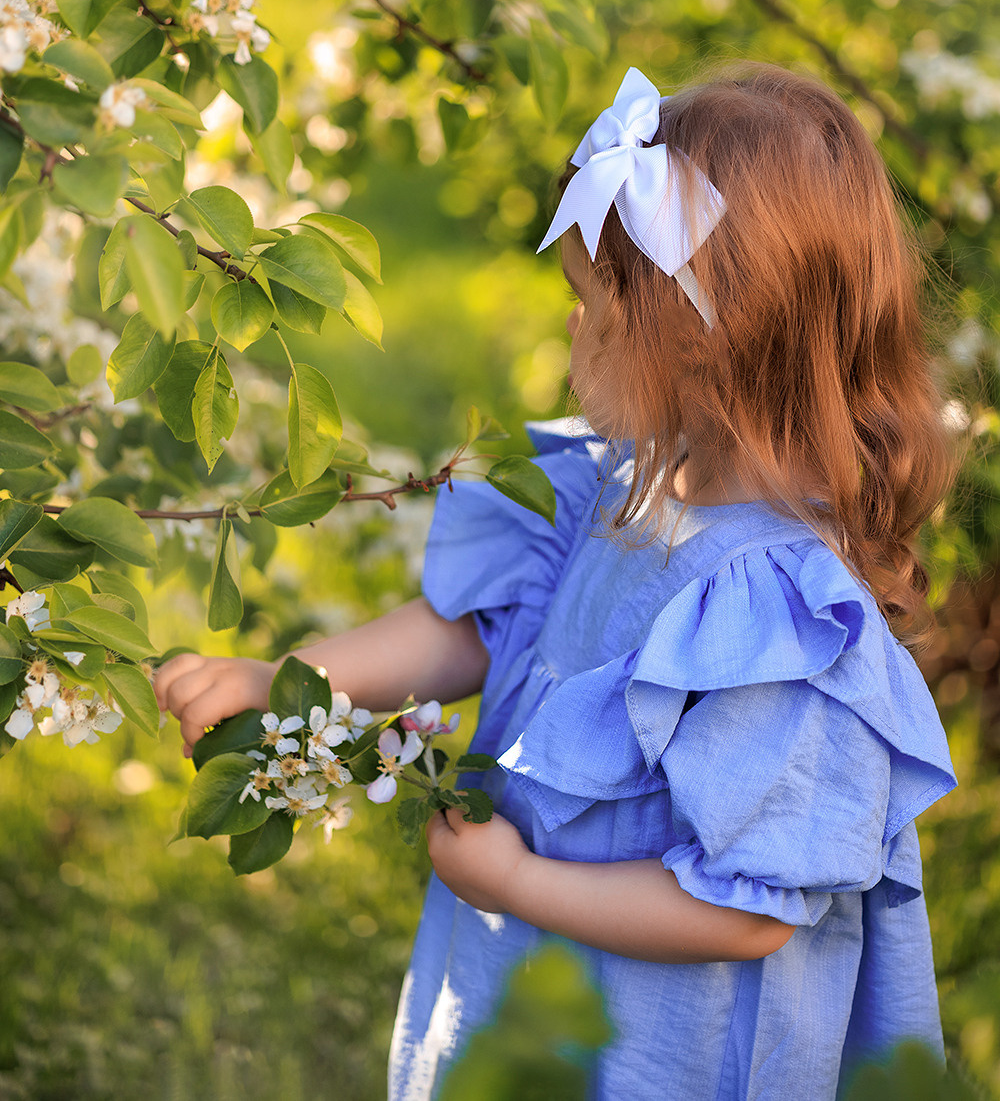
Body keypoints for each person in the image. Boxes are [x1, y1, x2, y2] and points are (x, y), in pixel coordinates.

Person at [155, 63, 960, 1101]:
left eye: (594, 308)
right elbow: (480, 630)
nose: (573, 332)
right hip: (530, 975)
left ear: (698, 345)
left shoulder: (780, 612)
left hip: (661, 1042)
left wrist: (520, 881)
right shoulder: (609, 488)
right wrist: (286, 682)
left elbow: (748, 911)